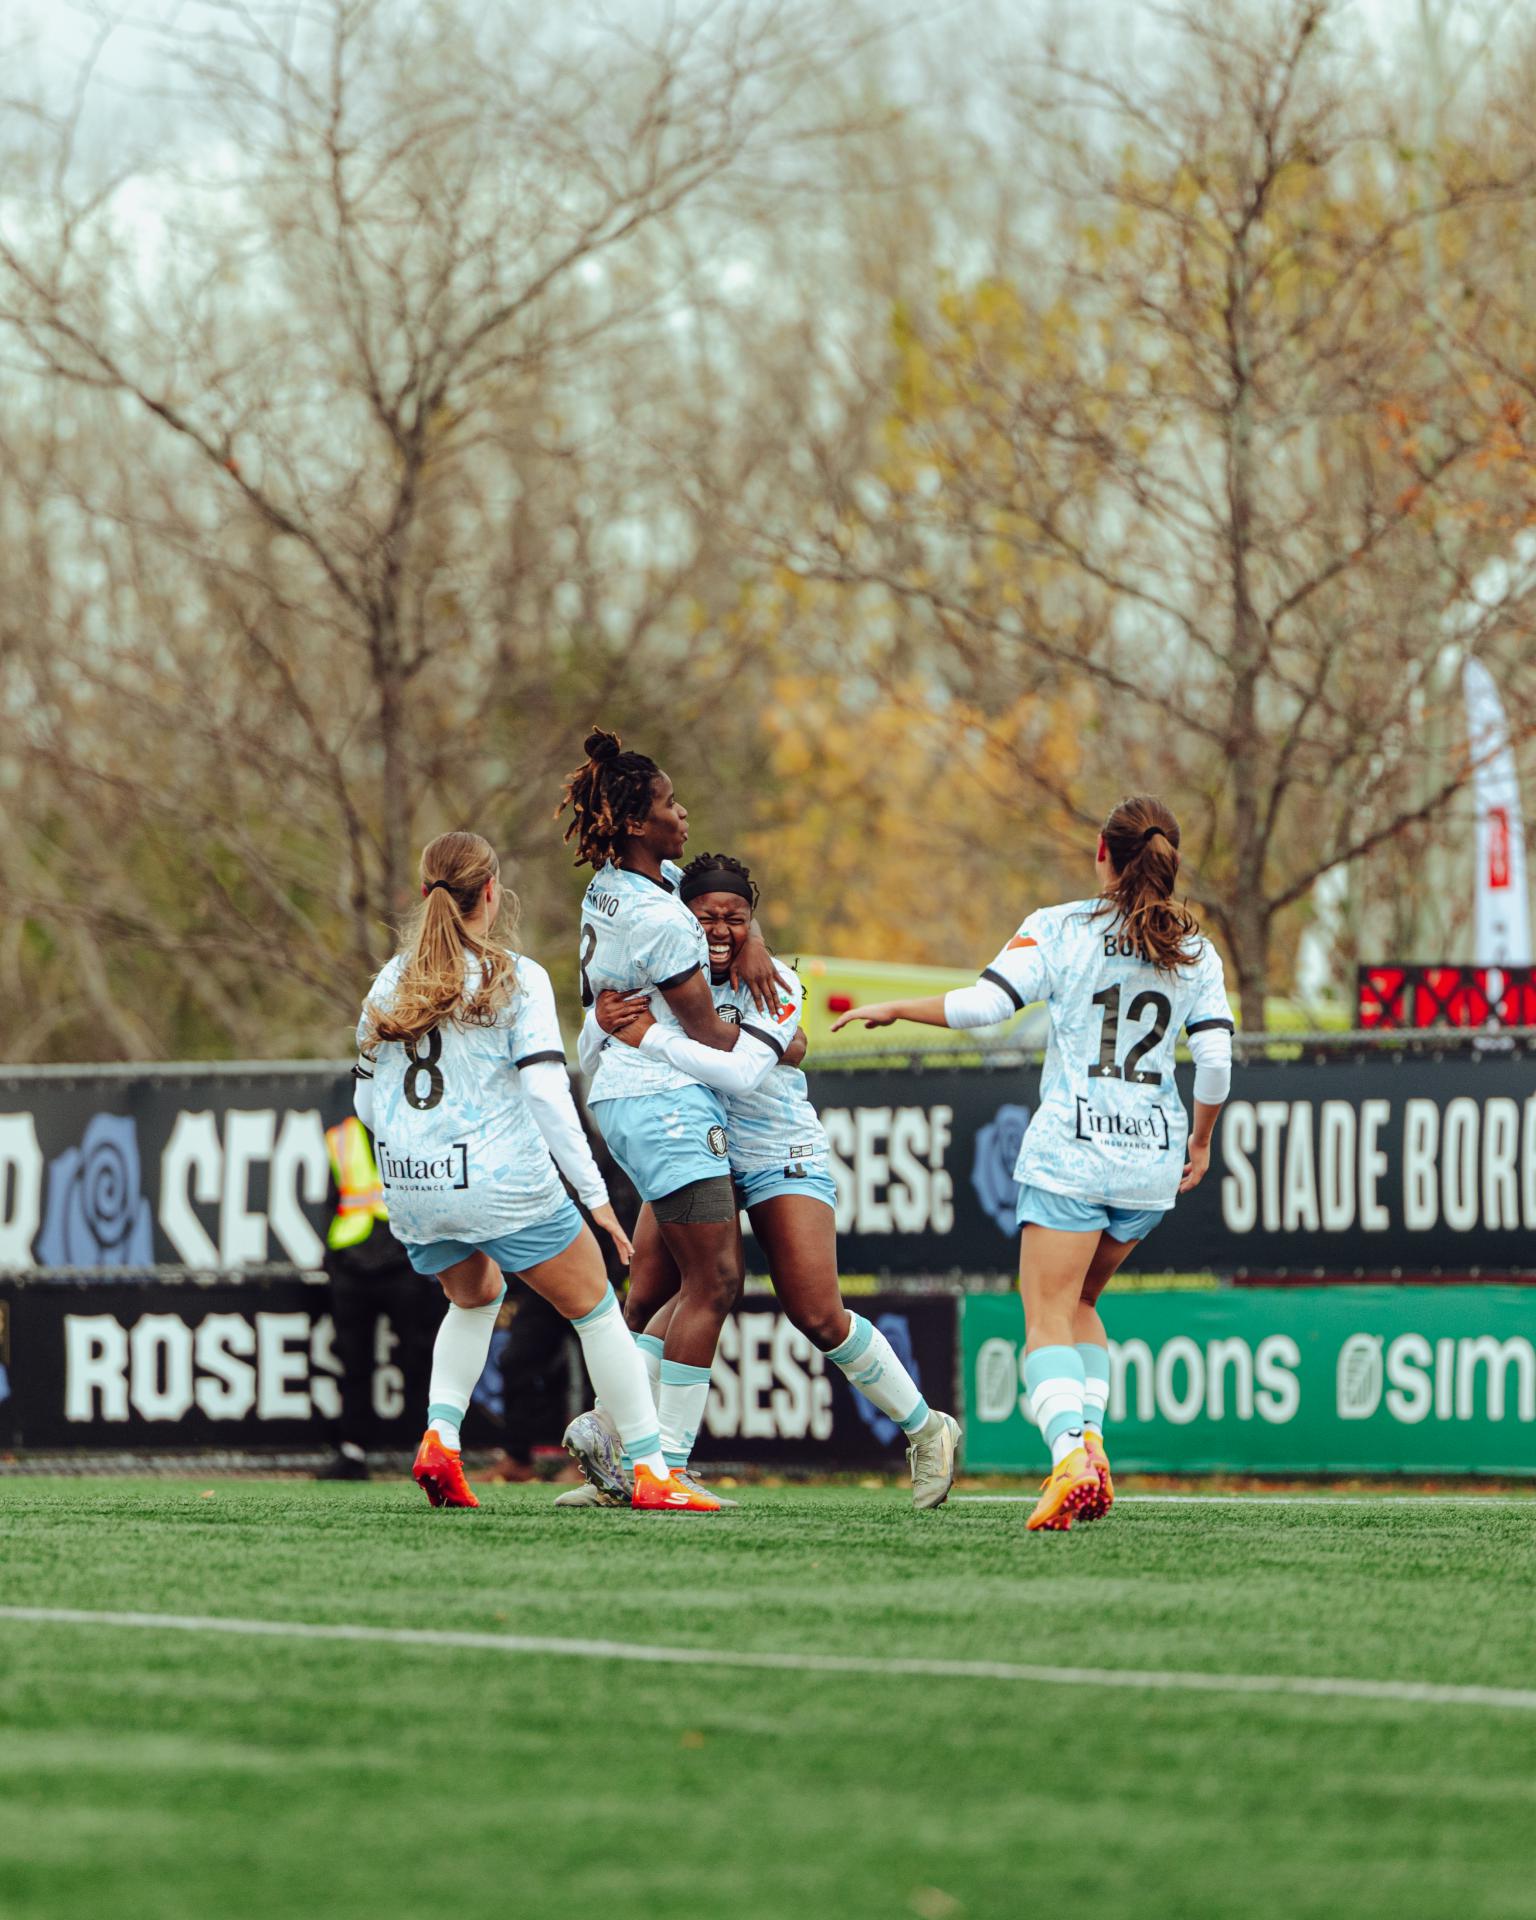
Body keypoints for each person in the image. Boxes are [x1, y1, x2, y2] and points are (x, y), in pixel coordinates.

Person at [832, 796, 1233, 1533]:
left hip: (1073, 1155)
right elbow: (1213, 1060)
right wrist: (1201, 1142)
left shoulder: (1060, 927)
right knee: (1082, 1305)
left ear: (1103, 856)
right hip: (1150, 1161)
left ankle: (1068, 1455)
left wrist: (895, 1008)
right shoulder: (1194, 950)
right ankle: (1094, 1448)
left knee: (1046, 1317)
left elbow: (987, 1007)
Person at [564, 851, 962, 1510]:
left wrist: (649, 1040)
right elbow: (595, 1049)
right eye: (706, 918)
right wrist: (605, 1025)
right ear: (681, 919)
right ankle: (627, 1468)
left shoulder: (775, 979)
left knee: (814, 1311)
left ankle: (927, 1430)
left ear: (755, 921)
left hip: (779, 1148)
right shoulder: (663, 968)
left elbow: (743, 1075)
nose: (721, 931)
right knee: (643, 1302)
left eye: (737, 919)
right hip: (695, 1142)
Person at [353, 827, 701, 1514]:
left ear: (427, 897)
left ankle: (441, 1439)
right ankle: (653, 1471)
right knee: (598, 1310)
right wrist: (596, 1200)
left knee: (474, 1295)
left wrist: (421, 1154)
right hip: (500, 1181)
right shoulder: (516, 975)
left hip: (416, 1185)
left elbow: (367, 1101)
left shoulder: (388, 982)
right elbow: (546, 1092)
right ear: (491, 892)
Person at [555, 731, 780, 1511]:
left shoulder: (617, 884)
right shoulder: (660, 921)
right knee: (714, 1280)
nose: (683, 815)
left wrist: (754, 941)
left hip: (622, 1093)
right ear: (636, 824)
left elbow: (719, 901)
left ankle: (612, 1438)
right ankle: (662, 1464)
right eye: (669, 805)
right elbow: (714, 1036)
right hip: (663, 1102)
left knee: (653, 1284)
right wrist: (778, 1024)